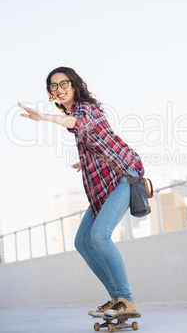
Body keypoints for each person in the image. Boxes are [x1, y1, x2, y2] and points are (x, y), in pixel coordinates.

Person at [18, 66, 144, 318]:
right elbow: (91, 136)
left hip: (123, 176)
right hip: (104, 184)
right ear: (50, 92)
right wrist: (85, 161)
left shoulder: (84, 109)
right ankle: (116, 298)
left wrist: (43, 117)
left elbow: (77, 123)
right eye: (53, 86)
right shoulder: (73, 112)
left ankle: (126, 300)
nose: (59, 89)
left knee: (100, 235)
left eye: (64, 83)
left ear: (74, 85)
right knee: (83, 242)